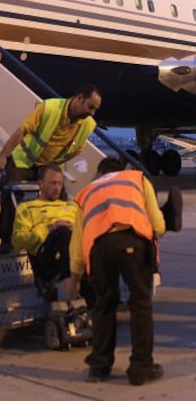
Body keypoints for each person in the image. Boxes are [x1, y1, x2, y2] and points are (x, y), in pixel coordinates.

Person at [69, 156, 174, 386]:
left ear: (99, 174)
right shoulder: (136, 178)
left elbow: (77, 244)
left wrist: (75, 277)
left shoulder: (87, 192)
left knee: (103, 305)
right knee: (140, 305)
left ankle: (98, 368)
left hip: (100, 250)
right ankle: (140, 369)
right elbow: (157, 224)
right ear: (120, 169)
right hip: (131, 242)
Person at [0, 84, 102, 254]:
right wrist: (2, 156)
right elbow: (22, 131)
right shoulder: (50, 108)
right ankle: (7, 240)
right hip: (25, 158)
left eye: (95, 109)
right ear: (79, 98)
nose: (92, 113)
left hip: (49, 164)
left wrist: (56, 165)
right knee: (11, 193)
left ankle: (52, 239)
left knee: (58, 198)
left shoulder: (88, 124)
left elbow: (77, 149)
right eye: (90, 107)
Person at [11, 163, 82, 304]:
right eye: (52, 183)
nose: (56, 188)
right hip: (47, 256)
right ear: (40, 184)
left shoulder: (72, 206)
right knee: (63, 232)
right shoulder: (27, 208)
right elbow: (17, 242)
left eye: (59, 183)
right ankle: (70, 286)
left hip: (74, 251)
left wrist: (77, 228)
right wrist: (50, 228)